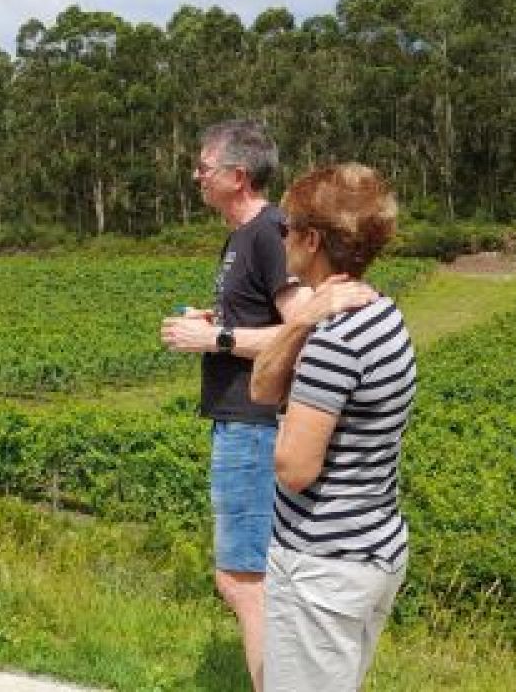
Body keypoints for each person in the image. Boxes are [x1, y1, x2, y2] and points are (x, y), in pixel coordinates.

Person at [160, 119, 373, 691]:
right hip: (240, 421)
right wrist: (220, 323)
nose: (195, 176)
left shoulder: (267, 232)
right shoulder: (245, 237)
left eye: (203, 168)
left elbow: (303, 329)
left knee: (246, 581)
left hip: (255, 426)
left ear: (236, 176)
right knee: (247, 579)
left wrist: (218, 340)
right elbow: (274, 319)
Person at [250, 163, 415, 692]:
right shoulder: (382, 314)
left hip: (322, 565)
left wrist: (304, 324)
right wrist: (302, 319)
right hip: (372, 548)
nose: (282, 238)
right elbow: (262, 390)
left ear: (312, 239)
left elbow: (295, 469)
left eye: (287, 227)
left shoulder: (334, 341)